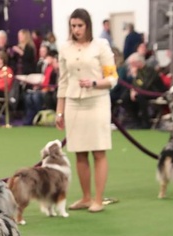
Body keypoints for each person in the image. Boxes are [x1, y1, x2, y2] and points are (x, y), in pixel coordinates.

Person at [55, 8, 118, 213]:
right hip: (74, 103)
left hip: (97, 101)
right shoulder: (64, 48)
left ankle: (98, 199)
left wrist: (94, 82)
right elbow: (63, 81)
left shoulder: (101, 45)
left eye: (80, 26)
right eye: (73, 26)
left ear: (88, 25)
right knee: (79, 152)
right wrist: (59, 111)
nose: (76, 30)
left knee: (99, 151)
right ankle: (85, 197)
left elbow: (112, 78)